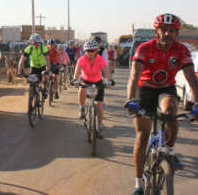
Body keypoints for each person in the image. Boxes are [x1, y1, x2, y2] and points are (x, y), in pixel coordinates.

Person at [124, 13, 198, 195]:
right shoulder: (144, 48)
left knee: (171, 112)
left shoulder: (182, 50)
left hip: (166, 89)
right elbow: (134, 76)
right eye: (164, 30)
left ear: (177, 33)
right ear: (157, 31)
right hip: (145, 90)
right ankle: (139, 184)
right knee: (142, 136)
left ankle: (169, 152)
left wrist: (197, 102)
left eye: (172, 31)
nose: (167, 34)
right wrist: (131, 99)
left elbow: (190, 77)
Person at [73, 40, 112, 137]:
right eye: (87, 51)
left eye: (92, 50)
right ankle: (81, 107)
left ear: (96, 51)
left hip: (98, 81)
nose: (89, 52)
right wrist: (75, 80)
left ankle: (99, 125)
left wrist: (109, 81)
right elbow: (77, 73)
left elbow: (106, 72)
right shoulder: (81, 59)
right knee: (81, 88)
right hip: (86, 80)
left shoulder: (101, 59)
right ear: (85, 51)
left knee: (99, 105)